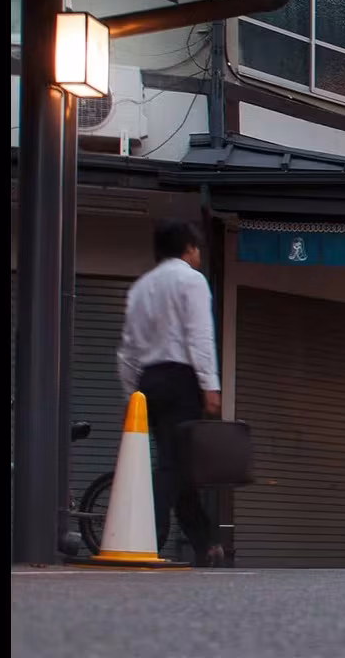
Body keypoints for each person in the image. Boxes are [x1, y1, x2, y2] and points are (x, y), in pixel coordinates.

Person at [117, 221, 224, 567]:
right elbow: (199, 336)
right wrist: (210, 384)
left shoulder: (140, 288)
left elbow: (127, 350)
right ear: (189, 248)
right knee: (172, 465)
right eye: (197, 249)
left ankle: (205, 543)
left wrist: (132, 394)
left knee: (177, 463)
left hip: (148, 381)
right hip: (180, 378)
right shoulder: (191, 280)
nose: (198, 255)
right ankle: (151, 537)